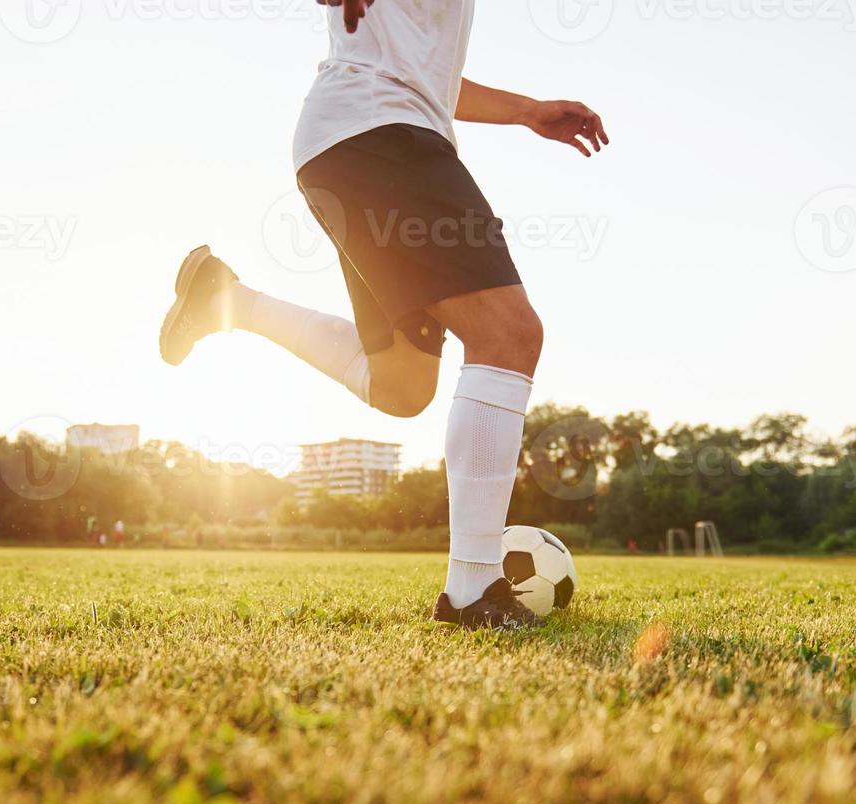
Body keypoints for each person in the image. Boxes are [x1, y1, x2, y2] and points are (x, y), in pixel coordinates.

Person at [159, 0, 606, 629]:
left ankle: (228, 301)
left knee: (401, 385)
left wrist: (526, 112)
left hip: (355, 142)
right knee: (508, 334)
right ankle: (474, 590)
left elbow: (430, 77)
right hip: (381, 138)